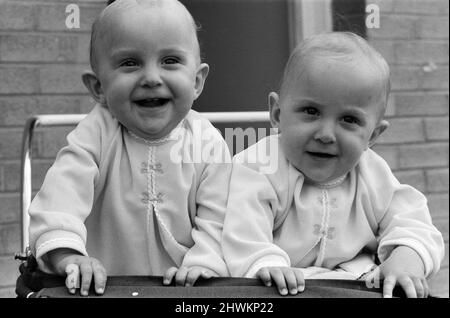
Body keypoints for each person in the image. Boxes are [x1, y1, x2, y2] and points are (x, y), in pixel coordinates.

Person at [28, 0, 231, 296]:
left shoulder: (207, 142)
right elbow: (60, 200)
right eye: (129, 63)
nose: (151, 78)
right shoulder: (95, 134)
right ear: (99, 88)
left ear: (197, 80)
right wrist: (69, 256)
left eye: (170, 60)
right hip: (102, 288)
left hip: (184, 290)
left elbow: (221, 217)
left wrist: (204, 264)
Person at [222, 32, 445, 298]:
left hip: (355, 284)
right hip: (282, 288)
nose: (326, 134)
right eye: (311, 111)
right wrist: (266, 264)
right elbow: (241, 231)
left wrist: (406, 259)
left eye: (349, 119)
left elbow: (414, 223)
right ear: (278, 114)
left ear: (372, 136)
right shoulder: (258, 166)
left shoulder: (372, 174)